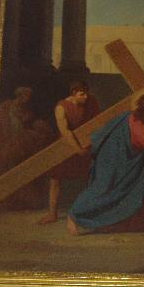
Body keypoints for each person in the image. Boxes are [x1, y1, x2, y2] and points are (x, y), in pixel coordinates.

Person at [67, 88, 144, 235]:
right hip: (113, 158)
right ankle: (73, 215)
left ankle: (122, 223)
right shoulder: (137, 120)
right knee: (102, 189)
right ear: (142, 105)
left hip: (128, 159)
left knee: (131, 190)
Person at [37, 81, 100, 224]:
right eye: (82, 94)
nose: (85, 97)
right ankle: (52, 214)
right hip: (67, 145)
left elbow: (97, 121)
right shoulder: (61, 107)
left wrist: (87, 146)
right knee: (55, 179)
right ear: (73, 94)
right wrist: (78, 150)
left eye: (86, 94)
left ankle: (91, 211)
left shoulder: (90, 102)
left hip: (85, 143)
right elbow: (65, 131)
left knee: (91, 177)